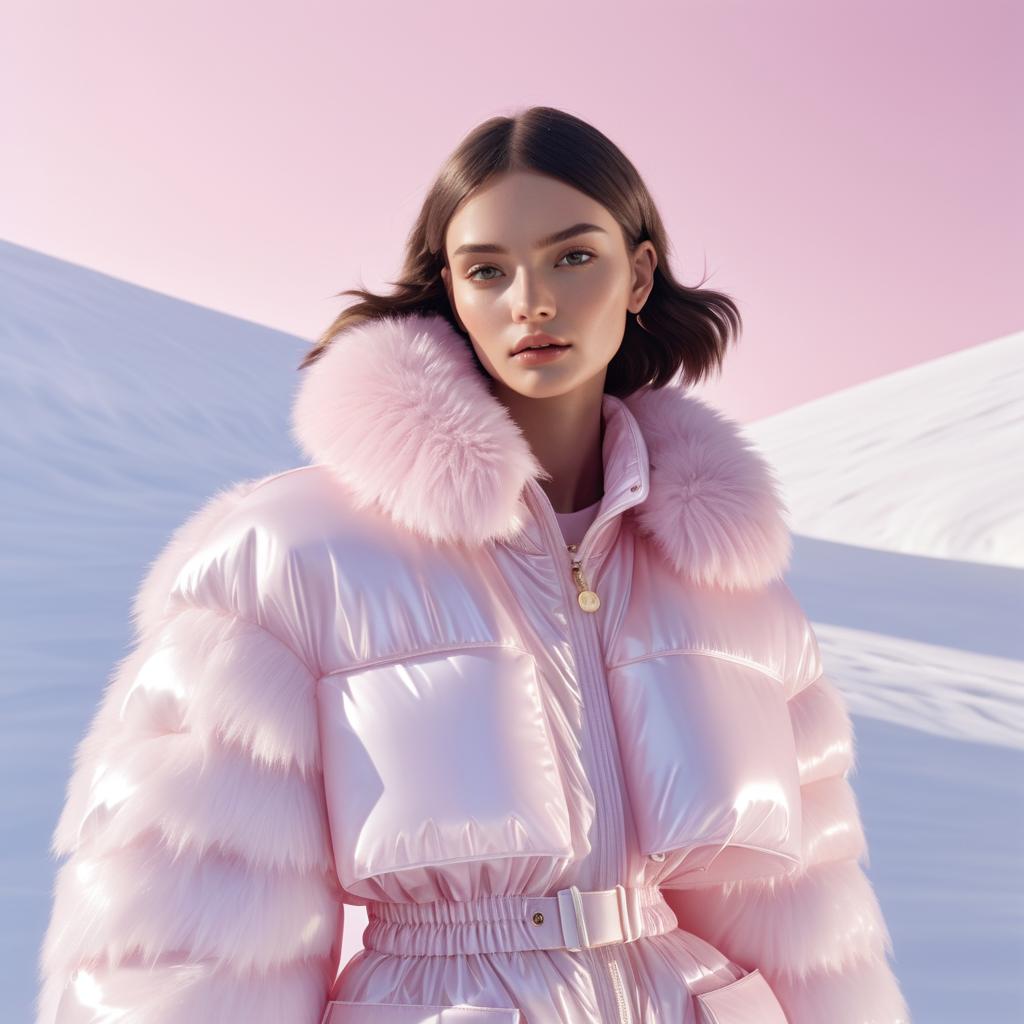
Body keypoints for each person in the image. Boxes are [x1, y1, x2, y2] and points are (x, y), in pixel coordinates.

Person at [36, 106, 910, 1024]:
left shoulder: (727, 579)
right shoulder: (289, 557)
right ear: (449, 291)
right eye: (488, 270)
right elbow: (188, 932)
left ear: (639, 273)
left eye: (573, 256)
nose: (531, 298)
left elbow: (810, 927)